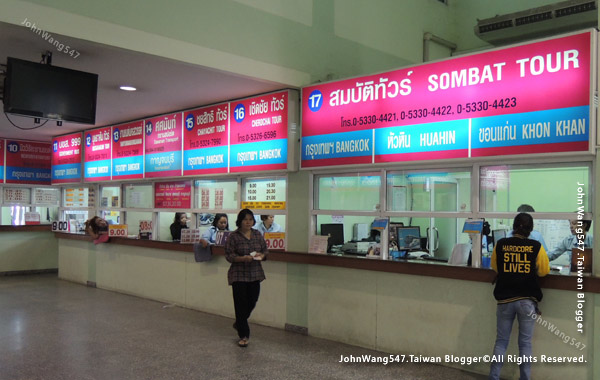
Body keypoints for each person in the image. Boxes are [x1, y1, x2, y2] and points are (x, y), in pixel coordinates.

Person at [489, 213, 550, 380]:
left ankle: (493, 377)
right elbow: (544, 271)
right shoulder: (536, 246)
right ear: (531, 229)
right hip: (527, 302)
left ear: (514, 226)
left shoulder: (501, 244)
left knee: (501, 342)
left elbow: (495, 266)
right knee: (525, 344)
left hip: (505, 300)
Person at [224, 209, 268, 347]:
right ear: (240, 221)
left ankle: (239, 322)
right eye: (245, 219)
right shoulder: (233, 236)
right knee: (240, 305)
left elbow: (265, 250)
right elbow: (229, 255)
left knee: (252, 301)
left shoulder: (257, 234)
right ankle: (244, 335)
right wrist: (242, 258)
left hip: (255, 274)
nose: (248, 222)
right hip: (239, 275)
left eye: (250, 219)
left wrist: (262, 256)